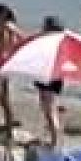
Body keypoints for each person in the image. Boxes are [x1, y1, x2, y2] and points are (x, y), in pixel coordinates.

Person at [0, 3, 26, 129]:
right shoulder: (7, 28)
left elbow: (19, 41)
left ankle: (6, 125)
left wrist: (2, 51)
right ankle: (4, 123)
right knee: (0, 98)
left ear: (1, 15)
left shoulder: (7, 27)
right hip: (0, 67)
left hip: (0, 68)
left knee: (1, 99)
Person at [33, 16, 67, 152]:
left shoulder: (50, 42)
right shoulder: (59, 42)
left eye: (45, 26)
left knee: (49, 109)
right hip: (53, 76)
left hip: (49, 77)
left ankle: (54, 142)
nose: (43, 27)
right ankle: (53, 140)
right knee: (48, 108)